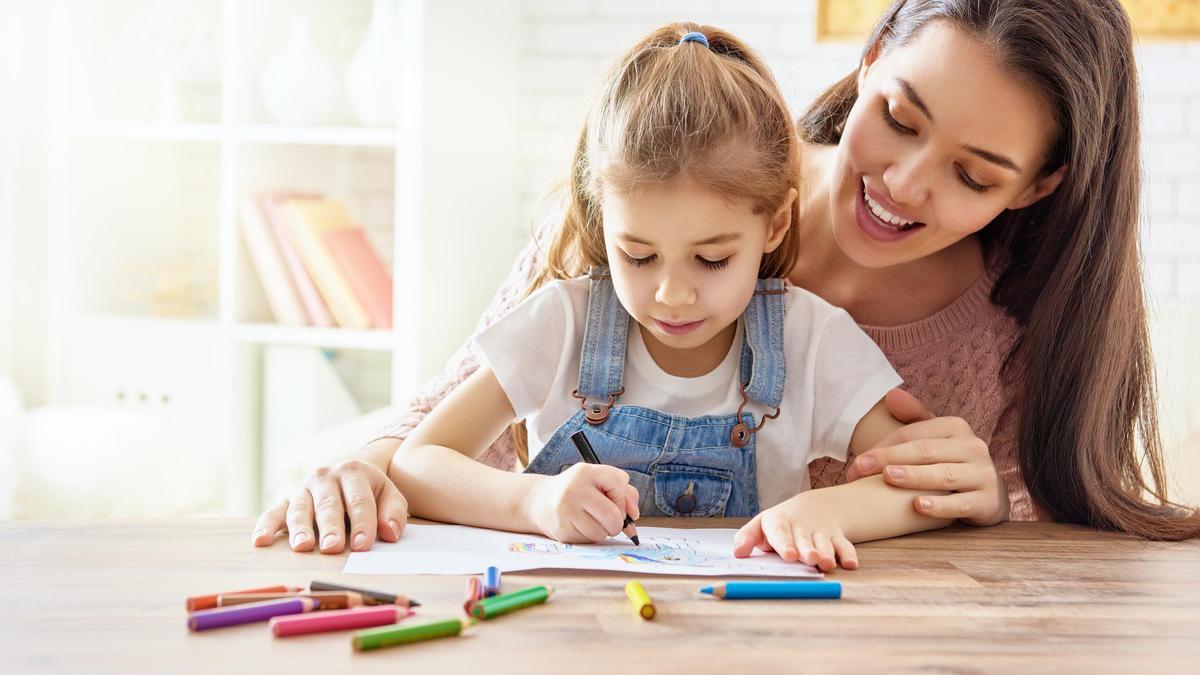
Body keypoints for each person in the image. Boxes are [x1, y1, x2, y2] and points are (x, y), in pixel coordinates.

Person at [253, 0, 1200, 557]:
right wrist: (360, 469)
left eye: (973, 174)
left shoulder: (1010, 330)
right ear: (868, 62)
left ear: (1038, 185)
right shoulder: (673, 181)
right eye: (900, 119)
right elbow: (439, 425)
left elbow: (1028, 543)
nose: (905, 183)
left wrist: (988, 500)